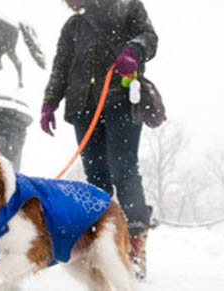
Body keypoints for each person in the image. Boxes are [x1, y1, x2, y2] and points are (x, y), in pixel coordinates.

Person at [40, 0, 158, 279]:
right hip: (83, 106)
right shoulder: (74, 25)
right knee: (96, 178)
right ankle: (102, 245)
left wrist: (135, 49)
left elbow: (149, 37)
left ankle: (134, 246)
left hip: (121, 100)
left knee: (124, 169)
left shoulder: (128, 6)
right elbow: (61, 66)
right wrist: (50, 102)